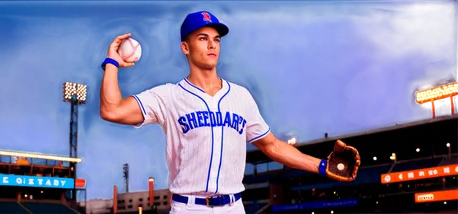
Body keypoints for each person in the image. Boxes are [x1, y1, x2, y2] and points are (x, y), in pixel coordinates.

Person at [100, 10, 360, 214]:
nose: (212, 45)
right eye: (202, 38)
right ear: (185, 47)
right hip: (188, 208)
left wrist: (322, 166)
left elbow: (272, 146)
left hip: (234, 207)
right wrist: (112, 63)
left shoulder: (241, 96)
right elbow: (111, 110)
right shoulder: (169, 96)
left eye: (216, 39)